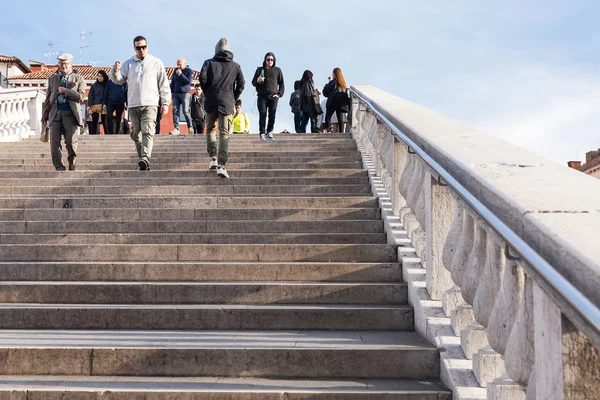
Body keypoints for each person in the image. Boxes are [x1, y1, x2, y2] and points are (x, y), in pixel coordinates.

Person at [109, 35, 170, 171]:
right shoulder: (128, 63)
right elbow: (118, 80)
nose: (141, 50)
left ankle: (145, 157)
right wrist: (114, 70)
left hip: (151, 103)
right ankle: (142, 160)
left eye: (144, 47)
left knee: (148, 131)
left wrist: (165, 102)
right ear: (134, 48)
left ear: (147, 47)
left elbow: (164, 84)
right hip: (134, 103)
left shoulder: (156, 62)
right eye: (138, 47)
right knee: (136, 135)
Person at [200, 37, 245, 179]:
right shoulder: (236, 66)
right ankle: (221, 165)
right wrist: (233, 96)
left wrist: (208, 92)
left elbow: (202, 79)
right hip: (227, 101)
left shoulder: (208, 63)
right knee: (225, 133)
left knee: (211, 129)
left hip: (211, 100)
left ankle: (213, 157)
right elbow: (241, 84)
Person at [42, 53, 85, 171]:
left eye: (65, 63)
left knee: (70, 142)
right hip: (55, 113)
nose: (63, 66)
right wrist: (43, 116)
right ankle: (58, 166)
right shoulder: (52, 78)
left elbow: (81, 97)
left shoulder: (79, 78)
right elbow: (48, 98)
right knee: (54, 143)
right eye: (61, 63)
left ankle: (72, 161)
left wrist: (66, 91)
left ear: (71, 64)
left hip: (70, 114)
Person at [251, 52, 284, 140]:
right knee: (262, 113)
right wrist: (258, 80)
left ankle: (269, 131)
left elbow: (281, 84)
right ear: (265, 60)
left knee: (272, 114)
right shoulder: (259, 70)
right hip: (262, 96)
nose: (270, 61)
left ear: (274, 61)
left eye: (271, 60)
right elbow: (253, 83)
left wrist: (279, 94)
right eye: (268, 59)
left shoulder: (277, 70)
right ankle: (262, 132)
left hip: (273, 96)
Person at [169, 57, 194, 135]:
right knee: (175, 110)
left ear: (184, 64)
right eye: (177, 64)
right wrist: (171, 92)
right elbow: (173, 82)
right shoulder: (175, 71)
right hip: (176, 94)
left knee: (185, 111)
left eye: (180, 64)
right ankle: (176, 128)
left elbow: (188, 81)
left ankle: (190, 127)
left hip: (185, 93)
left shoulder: (189, 71)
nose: (178, 66)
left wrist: (181, 74)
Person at [322, 67, 350, 133]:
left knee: (328, 117)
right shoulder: (343, 84)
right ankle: (341, 132)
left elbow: (325, 91)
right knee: (340, 118)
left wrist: (327, 85)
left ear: (334, 74)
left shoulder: (333, 82)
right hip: (341, 103)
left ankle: (329, 128)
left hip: (333, 101)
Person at [104, 69, 127, 134]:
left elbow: (126, 92)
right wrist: (104, 103)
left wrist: (127, 103)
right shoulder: (109, 82)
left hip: (120, 102)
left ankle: (118, 132)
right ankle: (110, 132)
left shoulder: (124, 82)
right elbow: (106, 93)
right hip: (110, 102)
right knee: (108, 117)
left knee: (119, 118)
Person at [87, 70, 109, 135]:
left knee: (105, 122)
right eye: (99, 76)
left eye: (101, 76)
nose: (100, 78)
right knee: (94, 122)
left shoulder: (107, 85)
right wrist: (89, 105)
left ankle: (107, 135)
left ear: (104, 77)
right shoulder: (94, 85)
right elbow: (90, 95)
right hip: (95, 106)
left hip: (104, 106)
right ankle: (94, 136)